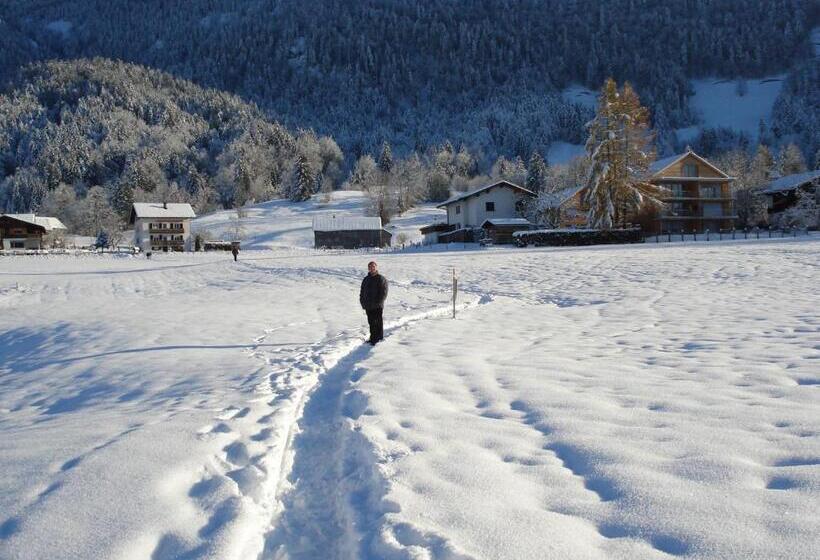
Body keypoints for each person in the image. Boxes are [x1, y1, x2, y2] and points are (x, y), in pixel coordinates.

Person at [360, 261, 388, 345]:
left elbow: (384, 292)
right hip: (368, 305)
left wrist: (379, 302)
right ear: (368, 268)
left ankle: (378, 338)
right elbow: (362, 291)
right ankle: (373, 338)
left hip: (377, 305)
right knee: (371, 322)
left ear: (376, 267)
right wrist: (362, 302)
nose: (372, 268)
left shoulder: (381, 278)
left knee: (377, 322)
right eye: (370, 267)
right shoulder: (366, 279)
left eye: (373, 266)